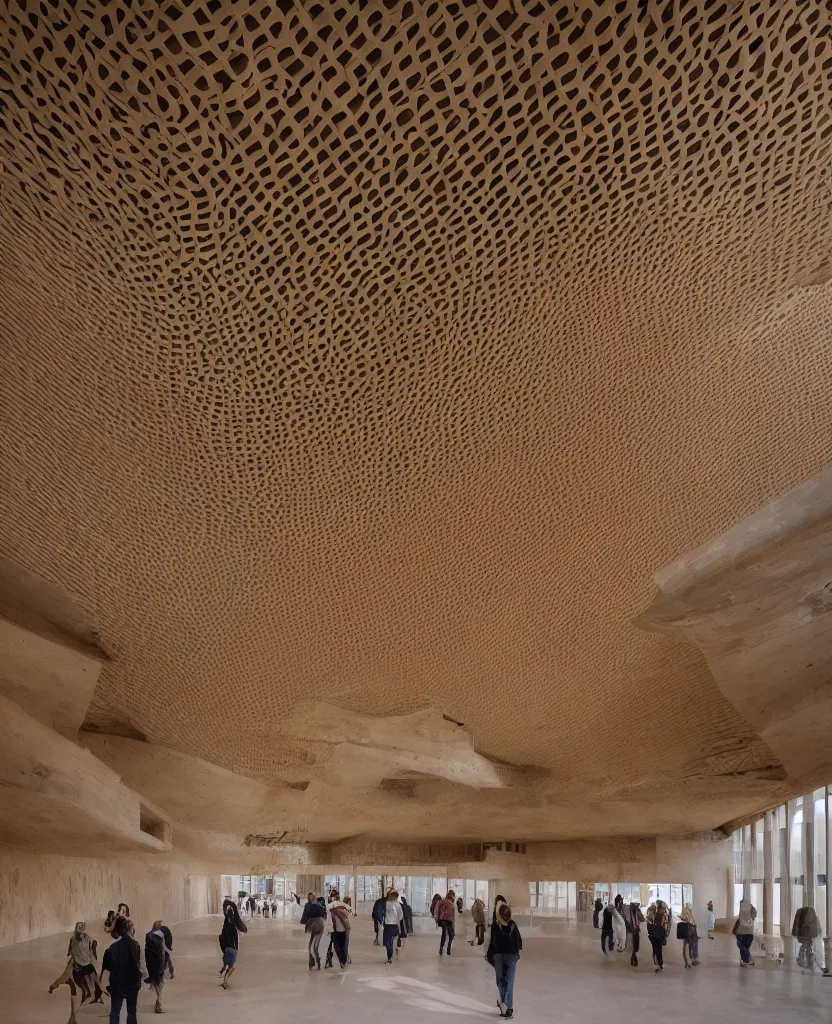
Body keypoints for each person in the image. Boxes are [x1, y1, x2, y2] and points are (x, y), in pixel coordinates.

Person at [100, 915, 142, 1024]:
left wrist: (106, 988)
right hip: (132, 984)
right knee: (132, 1012)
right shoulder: (136, 945)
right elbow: (138, 966)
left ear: (116, 931)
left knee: (115, 1012)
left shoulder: (111, 949)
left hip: (117, 985)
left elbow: (106, 971)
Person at [487, 902, 522, 1020]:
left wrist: (490, 955)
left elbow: (493, 942)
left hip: (504, 956)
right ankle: (505, 1005)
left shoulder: (502, 925)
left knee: (504, 981)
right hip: (506, 956)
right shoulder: (507, 925)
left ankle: (507, 1005)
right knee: (505, 981)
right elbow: (519, 942)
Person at [219, 898, 248, 988]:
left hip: (228, 949)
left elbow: (223, 938)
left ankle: (224, 977)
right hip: (231, 950)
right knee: (230, 966)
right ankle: (225, 980)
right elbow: (235, 940)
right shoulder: (232, 927)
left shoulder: (226, 925)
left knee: (228, 963)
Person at [145, 921, 167, 1013]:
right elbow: (164, 949)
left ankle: (159, 1004)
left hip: (152, 964)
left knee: (158, 985)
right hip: (159, 963)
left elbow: (147, 951)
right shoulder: (161, 936)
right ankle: (159, 1006)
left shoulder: (148, 935)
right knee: (160, 985)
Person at [300, 892, 326, 970]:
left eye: (312, 897)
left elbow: (323, 913)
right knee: (310, 946)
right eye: (310, 897)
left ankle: (318, 962)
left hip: (318, 925)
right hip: (311, 926)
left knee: (315, 946)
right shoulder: (308, 905)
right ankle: (312, 962)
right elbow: (305, 915)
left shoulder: (317, 905)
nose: (311, 898)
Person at [328, 892, 352, 968]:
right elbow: (351, 911)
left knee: (337, 946)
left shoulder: (330, 907)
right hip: (343, 928)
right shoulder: (344, 905)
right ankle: (344, 960)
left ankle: (342, 960)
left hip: (335, 929)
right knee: (343, 945)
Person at [382, 889, 404, 964]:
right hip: (395, 926)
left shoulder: (386, 904)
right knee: (393, 942)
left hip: (388, 926)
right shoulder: (398, 905)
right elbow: (401, 916)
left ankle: (390, 956)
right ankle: (392, 955)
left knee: (388, 942)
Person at [733, 899, 756, 967]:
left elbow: (752, 917)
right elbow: (740, 920)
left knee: (744, 947)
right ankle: (746, 960)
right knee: (743, 947)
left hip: (747, 932)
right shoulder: (744, 910)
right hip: (743, 932)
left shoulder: (752, 909)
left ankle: (745, 960)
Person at [647, 900, 668, 971]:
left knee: (654, 949)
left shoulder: (652, 909)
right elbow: (666, 923)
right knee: (659, 949)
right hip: (660, 932)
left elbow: (649, 919)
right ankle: (660, 964)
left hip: (653, 932)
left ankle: (657, 964)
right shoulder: (664, 911)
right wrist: (666, 934)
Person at [434, 890, 456, 955]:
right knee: (451, 934)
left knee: (444, 934)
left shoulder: (441, 902)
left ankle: (441, 948)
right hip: (449, 920)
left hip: (442, 920)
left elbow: (436, 910)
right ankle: (448, 948)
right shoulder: (451, 903)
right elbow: (454, 914)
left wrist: (437, 919)